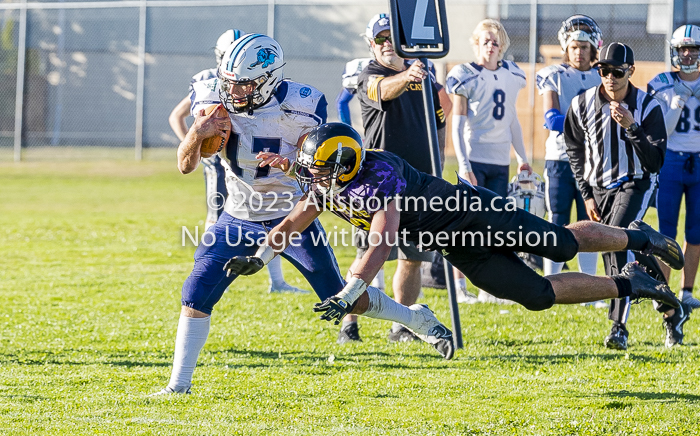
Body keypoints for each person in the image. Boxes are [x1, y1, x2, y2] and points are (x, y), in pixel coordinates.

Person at [152, 35, 454, 396]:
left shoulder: (303, 106)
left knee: (341, 298)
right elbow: (186, 165)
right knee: (195, 292)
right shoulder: (212, 95)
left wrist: (292, 166)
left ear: (269, 79)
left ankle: (415, 318)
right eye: (230, 81)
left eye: (244, 83)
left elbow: (318, 171)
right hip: (237, 215)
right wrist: (196, 134)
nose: (234, 91)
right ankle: (178, 386)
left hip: (293, 215)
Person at [223, 123, 683, 341]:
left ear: (344, 167)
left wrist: (350, 293)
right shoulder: (328, 181)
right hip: (454, 242)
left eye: (319, 173)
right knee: (536, 295)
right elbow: (290, 222)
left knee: (560, 243)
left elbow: (382, 241)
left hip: (475, 214)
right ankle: (634, 283)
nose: (313, 181)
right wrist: (259, 257)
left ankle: (641, 237)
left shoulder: (378, 176)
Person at [564, 42, 687, 350]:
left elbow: (655, 162)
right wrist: (587, 195)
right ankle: (671, 307)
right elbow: (574, 150)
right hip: (598, 187)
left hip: (636, 183)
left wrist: (632, 127)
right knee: (635, 248)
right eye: (604, 71)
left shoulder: (647, 106)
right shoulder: (581, 104)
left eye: (617, 72)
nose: (610, 78)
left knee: (614, 241)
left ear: (630, 72)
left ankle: (618, 326)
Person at [167, 29, 307, 295]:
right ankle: (211, 270)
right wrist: (194, 141)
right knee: (217, 213)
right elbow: (178, 116)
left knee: (268, 215)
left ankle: (275, 281)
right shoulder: (208, 82)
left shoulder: (268, 88)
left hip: (257, 163)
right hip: (222, 163)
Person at [336, 13, 447, 345]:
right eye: (380, 38)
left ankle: (404, 324)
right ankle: (348, 323)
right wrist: (409, 73)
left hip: (419, 182)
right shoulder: (369, 75)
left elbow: (439, 120)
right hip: (379, 184)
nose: (387, 44)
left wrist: (436, 165)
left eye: (392, 38)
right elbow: (384, 90)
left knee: (412, 257)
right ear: (371, 44)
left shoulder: (424, 78)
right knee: (369, 254)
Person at [445, 19, 532, 303]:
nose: (490, 47)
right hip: (474, 158)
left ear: (502, 46)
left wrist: (523, 157)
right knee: (465, 224)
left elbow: (512, 121)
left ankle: (489, 289)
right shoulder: (465, 74)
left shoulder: (512, 74)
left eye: (495, 42)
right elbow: (456, 124)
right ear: (476, 44)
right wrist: (465, 165)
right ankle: (459, 289)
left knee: (495, 227)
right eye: (485, 41)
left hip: (499, 161)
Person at [535, 16, 603, 295]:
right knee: (558, 217)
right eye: (574, 46)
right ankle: (550, 284)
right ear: (566, 47)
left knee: (592, 221)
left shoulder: (603, 75)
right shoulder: (554, 74)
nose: (578, 51)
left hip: (594, 160)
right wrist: (590, 124)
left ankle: (590, 286)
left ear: (593, 49)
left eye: (584, 47)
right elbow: (551, 118)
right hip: (561, 158)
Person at [646, 24, 700, 345]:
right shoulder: (662, 84)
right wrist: (676, 106)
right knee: (666, 232)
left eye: (693, 48)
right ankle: (664, 292)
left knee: (695, 232)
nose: (688, 54)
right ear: (674, 51)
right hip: (669, 162)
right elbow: (657, 131)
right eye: (683, 49)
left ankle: (688, 290)